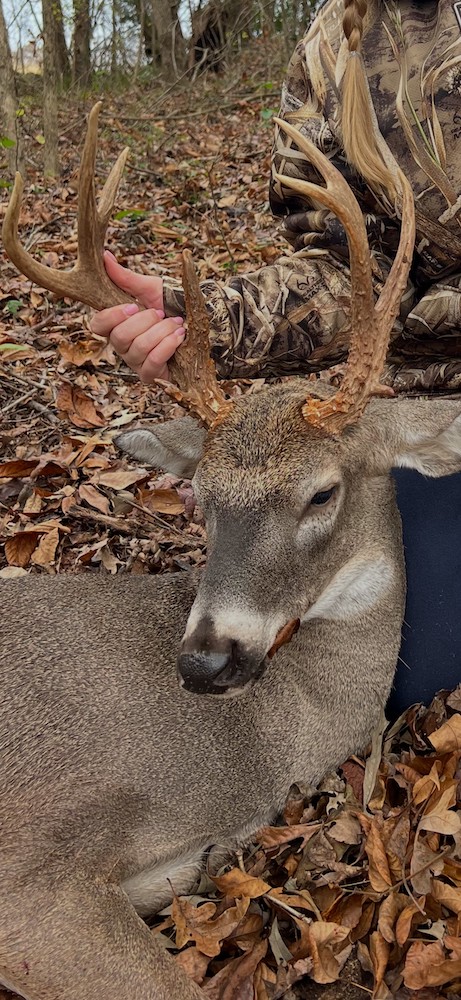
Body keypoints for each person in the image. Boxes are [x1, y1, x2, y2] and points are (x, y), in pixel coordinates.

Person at [91, 0, 461, 717]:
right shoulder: (340, 43)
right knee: (419, 682)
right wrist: (199, 323)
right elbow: (343, 269)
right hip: (431, 397)